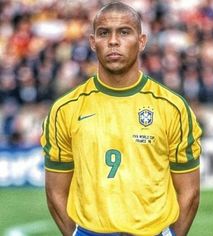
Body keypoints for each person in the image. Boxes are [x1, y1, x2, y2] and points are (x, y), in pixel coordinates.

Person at [40, 2, 202, 236]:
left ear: (142, 41)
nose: (113, 41)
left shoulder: (172, 108)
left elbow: (190, 194)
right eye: (104, 33)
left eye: (124, 32)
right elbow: (55, 192)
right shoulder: (65, 109)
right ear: (93, 42)